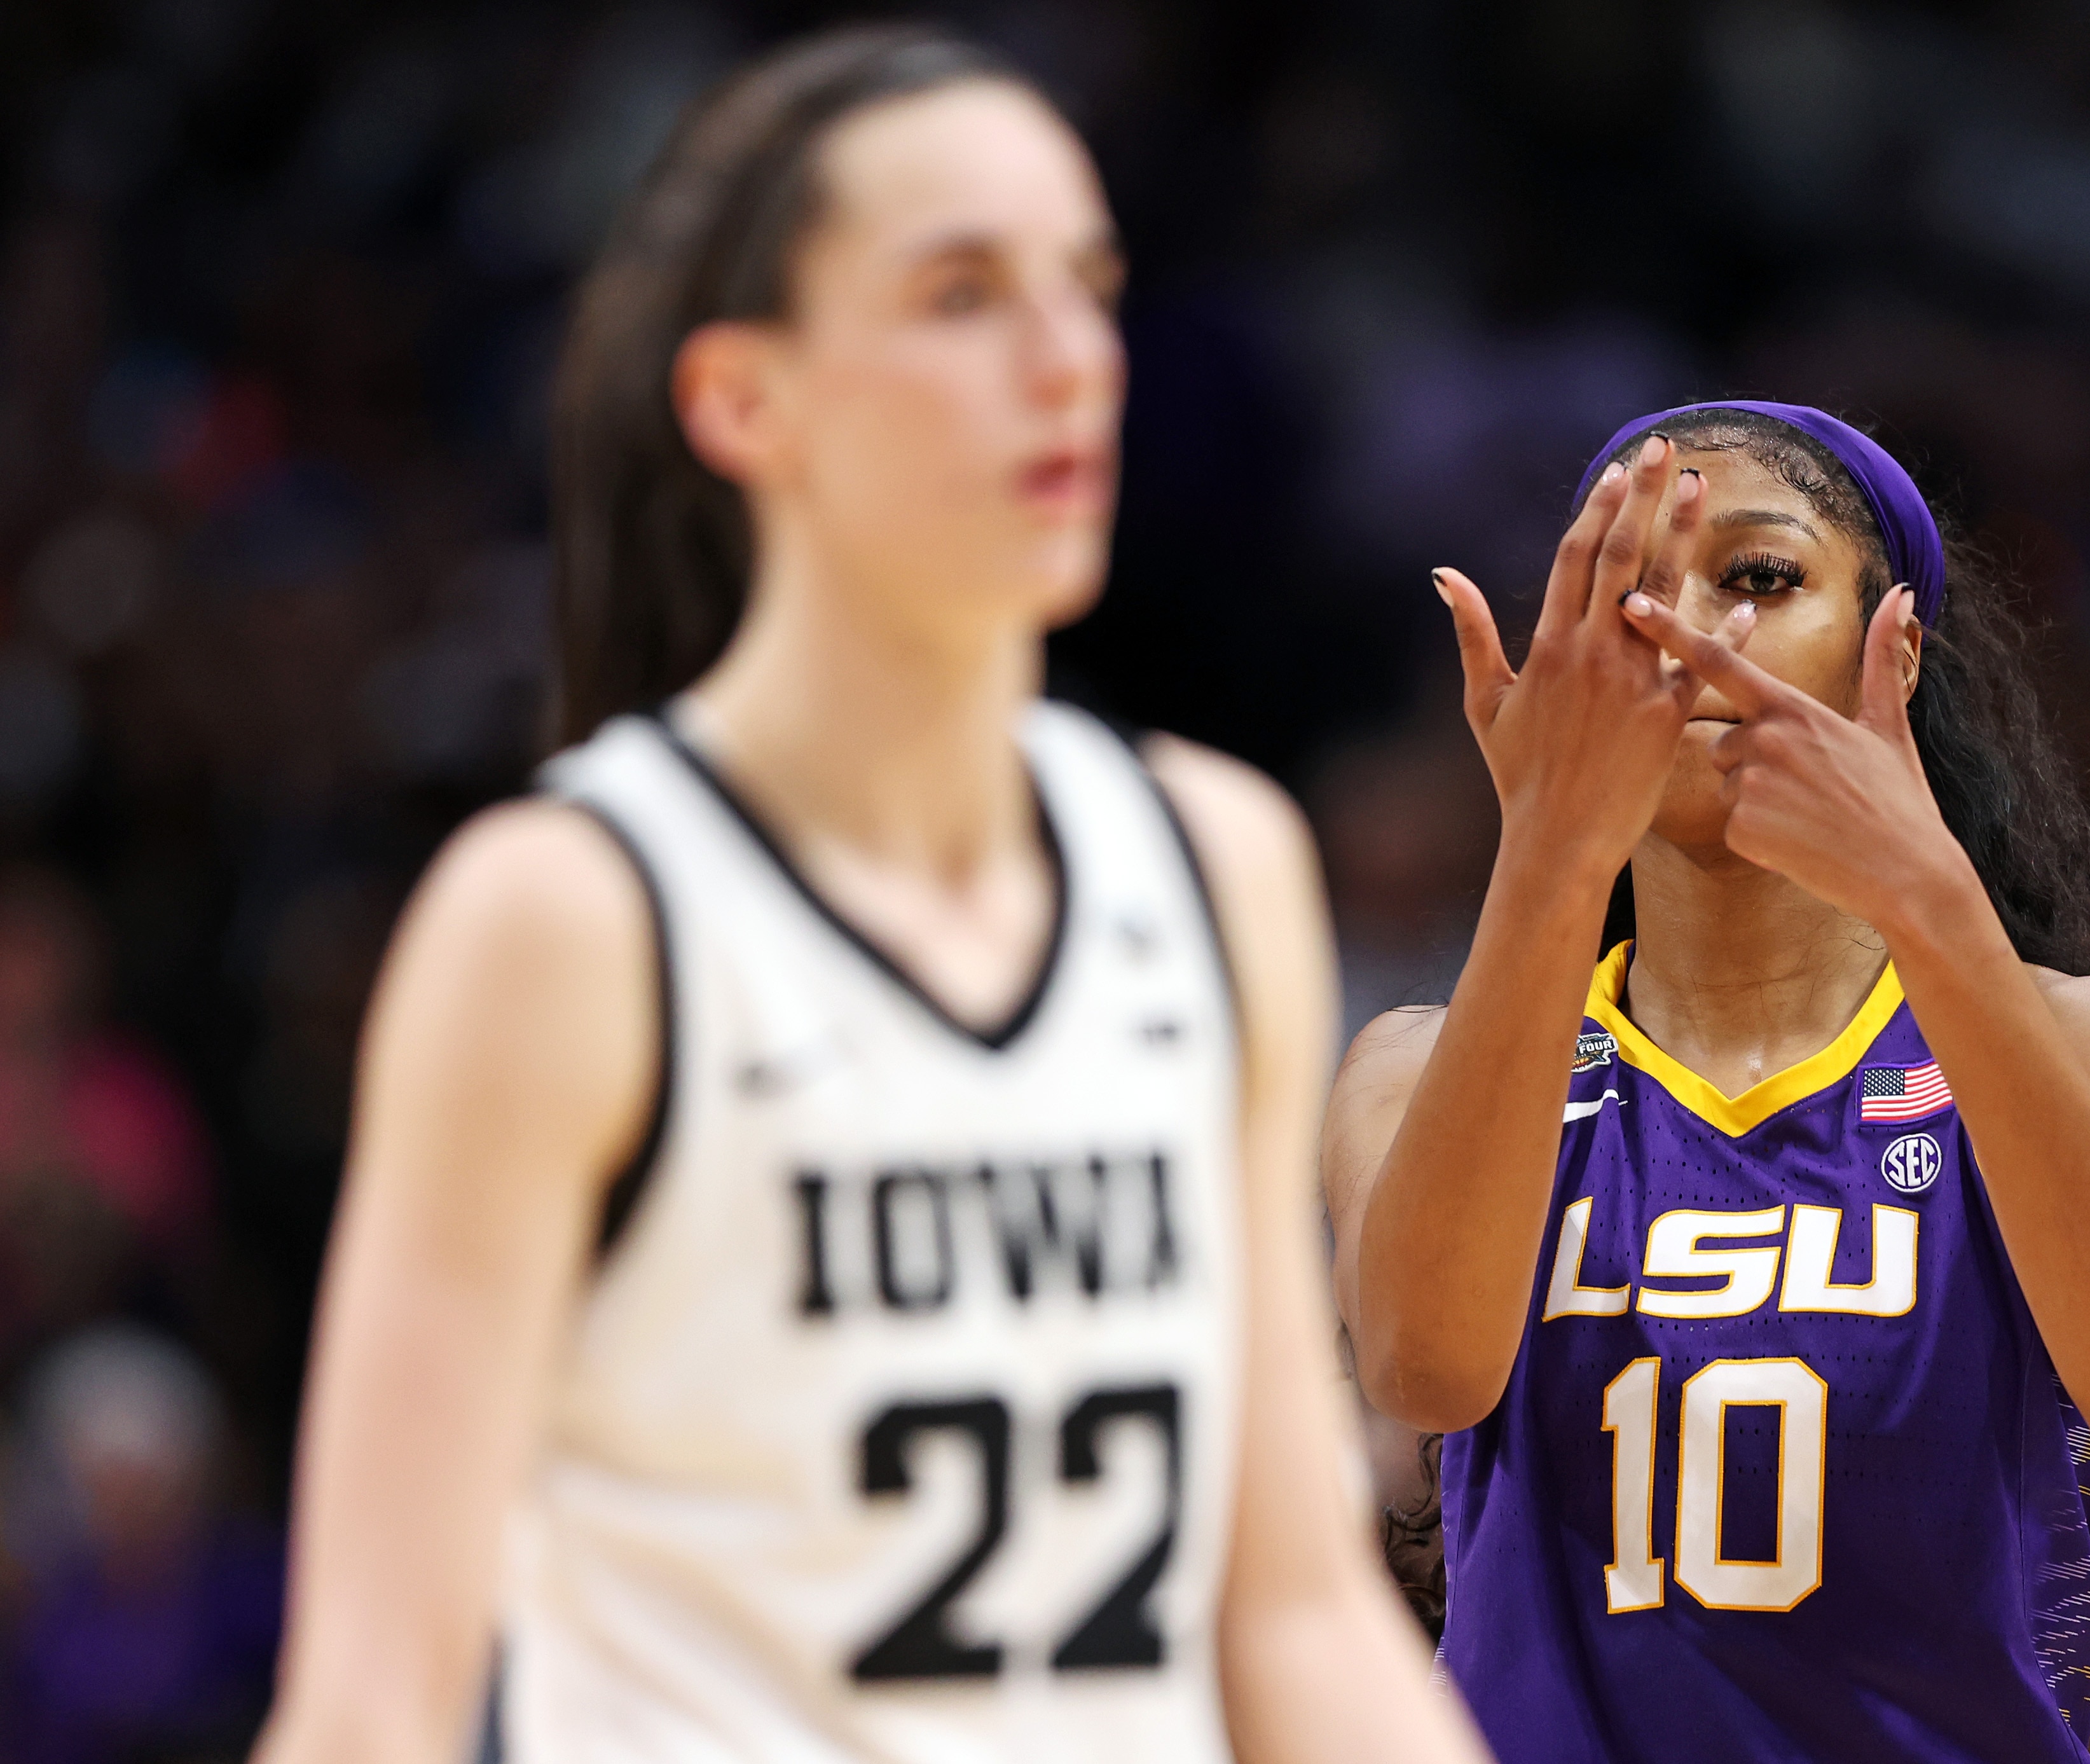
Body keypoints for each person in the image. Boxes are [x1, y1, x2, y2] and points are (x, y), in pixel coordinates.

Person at [255, 27, 1484, 1764]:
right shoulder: (569, 917)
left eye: (1087, 288)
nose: (1067, 361)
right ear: (744, 398)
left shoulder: (1215, 864)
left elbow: (1287, 1602)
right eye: (962, 296)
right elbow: (375, 1694)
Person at [1323, 402, 2090, 1761]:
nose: (1685, 631)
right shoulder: (1410, 1064)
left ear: (1899, 645)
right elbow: (1424, 1369)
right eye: (1624, 592)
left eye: (1756, 578)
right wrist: (1552, 854)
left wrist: (1926, 899)